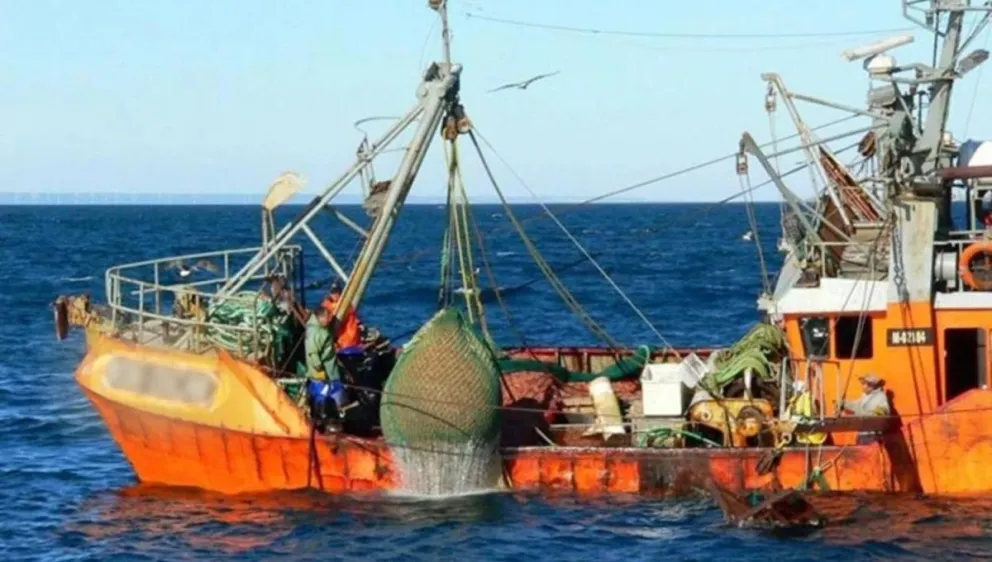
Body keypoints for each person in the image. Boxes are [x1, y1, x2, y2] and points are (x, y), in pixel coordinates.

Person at [304, 306, 347, 432]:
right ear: (320, 317)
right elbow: (313, 353)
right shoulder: (317, 333)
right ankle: (326, 422)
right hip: (323, 374)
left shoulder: (319, 329)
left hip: (327, 370)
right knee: (325, 395)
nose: (330, 319)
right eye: (327, 317)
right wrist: (321, 372)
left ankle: (326, 419)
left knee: (325, 395)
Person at [838, 374, 890, 444]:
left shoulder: (880, 397)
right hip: (862, 433)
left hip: (872, 435)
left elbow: (882, 413)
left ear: (872, 386)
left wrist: (870, 414)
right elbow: (856, 404)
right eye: (863, 383)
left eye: (865, 384)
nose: (863, 386)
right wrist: (844, 403)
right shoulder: (865, 396)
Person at [321, 283, 362, 350]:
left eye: (337, 292)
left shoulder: (346, 305)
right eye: (333, 293)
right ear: (330, 294)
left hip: (347, 338)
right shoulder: (327, 304)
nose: (335, 295)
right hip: (339, 335)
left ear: (340, 293)